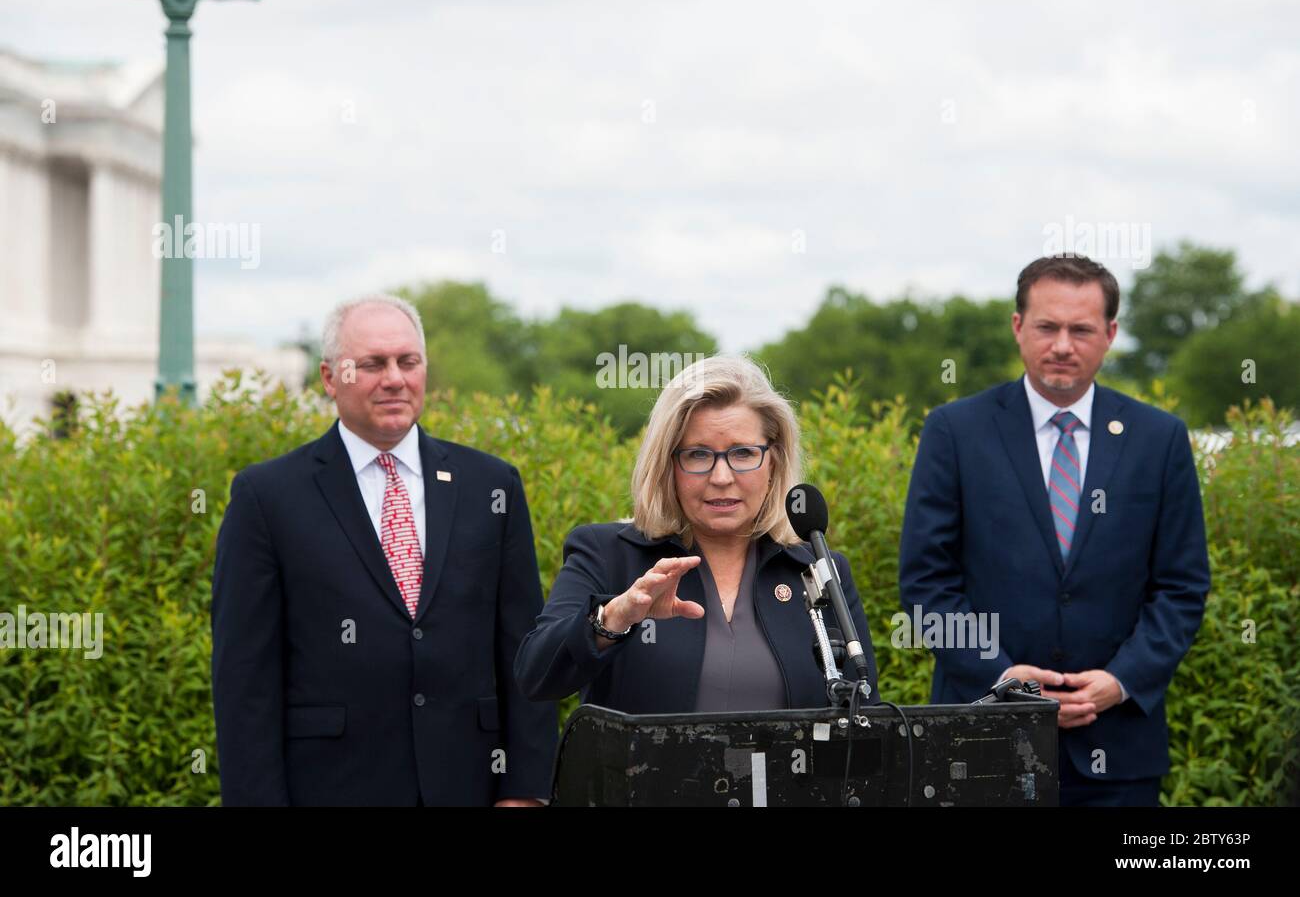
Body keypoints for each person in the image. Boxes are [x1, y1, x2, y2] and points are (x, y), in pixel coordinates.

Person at [211, 294, 556, 805]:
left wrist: (523, 791)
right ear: (330, 378)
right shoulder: (268, 497)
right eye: (372, 364)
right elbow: (244, 680)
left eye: (407, 361)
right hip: (331, 790)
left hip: (469, 788)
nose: (394, 378)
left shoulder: (491, 484)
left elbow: (522, 648)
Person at [898, 255, 1210, 806]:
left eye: (1081, 329)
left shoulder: (1158, 439)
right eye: (1047, 326)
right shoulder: (954, 432)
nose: (1063, 344)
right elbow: (927, 587)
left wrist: (1121, 681)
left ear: (1110, 334)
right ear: (1019, 326)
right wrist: (1003, 681)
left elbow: (1181, 588)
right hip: (982, 740)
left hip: (1118, 752)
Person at [515, 354, 878, 714]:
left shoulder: (818, 568)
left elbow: (866, 716)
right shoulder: (608, 553)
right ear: (667, 464)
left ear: (774, 461)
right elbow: (536, 675)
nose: (721, 477)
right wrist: (613, 619)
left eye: (743, 453)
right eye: (698, 455)